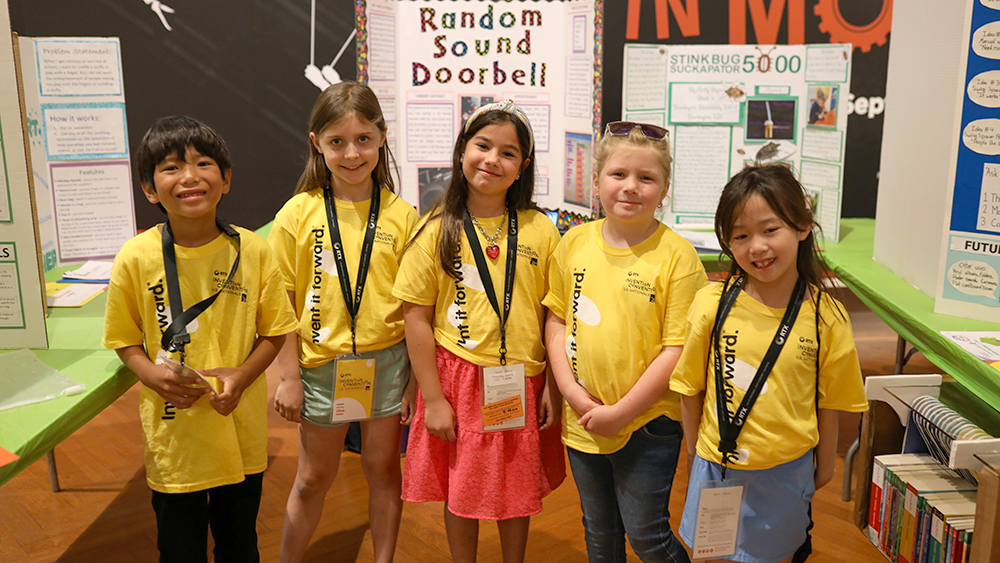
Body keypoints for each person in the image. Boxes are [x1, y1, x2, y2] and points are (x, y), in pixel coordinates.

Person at [102, 115, 297, 563]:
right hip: (175, 437)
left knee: (239, 544)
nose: (189, 176)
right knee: (179, 548)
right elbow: (123, 338)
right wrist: (152, 375)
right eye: (170, 168)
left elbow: (275, 331)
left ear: (225, 179)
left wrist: (244, 376)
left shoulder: (253, 250)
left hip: (239, 433)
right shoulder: (135, 257)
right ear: (150, 189)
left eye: (203, 164)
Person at [392, 100, 565, 563]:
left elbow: (554, 315)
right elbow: (416, 318)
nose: (492, 159)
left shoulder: (540, 230)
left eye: (508, 153)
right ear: (462, 150)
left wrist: (553, 385)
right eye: (483, 145)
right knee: (460, 487)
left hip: (522, 380)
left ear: (522, 167)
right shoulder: (435, 229)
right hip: (458, 381)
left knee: (517, 485)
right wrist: (431, 397)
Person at [671, 163, 868, 563]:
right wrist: (696, 452)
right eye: (740, 236)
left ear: (802, 225)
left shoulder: (826, 315)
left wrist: (825, 465)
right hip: (717, 466)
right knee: (711, 556)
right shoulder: (711, 304)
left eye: (770, 229)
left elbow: (831, 400)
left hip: (786, 470)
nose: (756, 247)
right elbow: (689, 386)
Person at [268, 81, 418, 563]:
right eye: (337, 142)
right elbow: (280, 302)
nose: (352, 154)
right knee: (313, 477)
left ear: (382, 138)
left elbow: (419, 309)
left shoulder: (404, 217)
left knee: (383, 470)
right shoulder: (298, 213)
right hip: (321, 366)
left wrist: (416, 378)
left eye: (363, 140)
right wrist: (288, 376)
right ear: (317, 143)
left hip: (389, 361)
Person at [544, 121, 706, 563]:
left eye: (646, 178)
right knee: (599, 533)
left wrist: (622, 413)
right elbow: (557, 320)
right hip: (583, 421)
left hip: (649, 424)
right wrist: (572, 393)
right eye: (618, 174)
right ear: (596, 181)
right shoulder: (574, 242)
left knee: (647, 536)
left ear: (664, 188)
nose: (631, 187)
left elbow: (677, 350)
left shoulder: (678, 257)